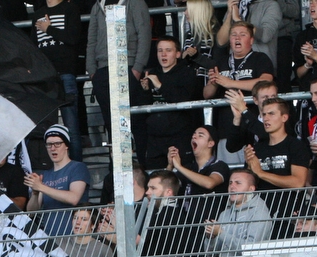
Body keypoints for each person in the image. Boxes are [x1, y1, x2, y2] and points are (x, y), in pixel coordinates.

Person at [86, 0, 151, 152]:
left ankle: (140, 167)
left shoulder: (135, 3)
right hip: (102, 71)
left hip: (127, 66)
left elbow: (144, 34)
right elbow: (91, 40)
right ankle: (116, 168)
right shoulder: (97, 6)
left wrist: (137, 68)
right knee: (111, 124)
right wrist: (92, 71)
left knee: (134, 122)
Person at [242, 98, 311, 225]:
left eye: (271, 114)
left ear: (284, 117)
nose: (266, 118)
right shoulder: (256, 149)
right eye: (264, 114)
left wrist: (261, 173)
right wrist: (249, 168)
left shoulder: (296, 146)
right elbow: (249, 184)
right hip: (260, 215)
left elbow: (298, 182)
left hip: (288, 215)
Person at [204, 23, 276, 140]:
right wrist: (213, 82)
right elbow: (207, 94)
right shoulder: (220, 61)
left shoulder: (260, 58)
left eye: (242, 35)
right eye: (234, 35)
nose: (237, 38)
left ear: (251, 40)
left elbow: (266, 82)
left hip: (252, 124)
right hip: (226, 127)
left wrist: (230, 83)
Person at [140, 36, 203, 168]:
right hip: (154, 136)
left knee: (180, 176)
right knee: (155, 175)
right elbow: (144, 106)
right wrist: (145, 90)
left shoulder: (187, 73)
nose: (163, 54)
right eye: (160, 50)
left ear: (178, 54)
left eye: (168, 50)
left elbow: (182, 99)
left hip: (179, 136)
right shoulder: (152, 72)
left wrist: (160, 85)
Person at [32, 0, 83, 160]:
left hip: (65, 72)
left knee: (71, 127)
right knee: (45, 127)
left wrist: (49, 29)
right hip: (45, 77)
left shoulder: (70, 8)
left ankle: (76, 169)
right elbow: (34, 47)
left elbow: (74, 38)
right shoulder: (38, 13)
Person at [25, 125, 91, 237]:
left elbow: (73, 198)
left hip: (74, 237)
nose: (53, 148)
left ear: (66, 146)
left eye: (57, 144)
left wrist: (41, 187)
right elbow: (31, 212)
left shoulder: (78, 167)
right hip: (50, 236)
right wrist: (35, 193)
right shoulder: (45, 175)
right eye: (49, 144)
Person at [215, 0, 282, 69]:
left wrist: (238, 20)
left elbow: (265, 36)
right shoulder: (237, 5)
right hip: (235, 67)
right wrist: (229, 14)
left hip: (259, 67)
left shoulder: (271, 5)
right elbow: (221, 42)